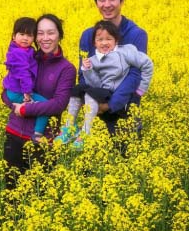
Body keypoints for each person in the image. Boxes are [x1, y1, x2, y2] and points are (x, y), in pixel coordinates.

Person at [1, 14, 76, 189]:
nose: (45, 38)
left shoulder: (66, 69)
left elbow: (59, 104)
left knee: (40, 196)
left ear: (60, 35)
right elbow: (7, 90)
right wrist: (12, 104)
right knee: (11, 194)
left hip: (43, 142)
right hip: (14, 134)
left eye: (50, 33)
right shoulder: (26, 57)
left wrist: (26, 109)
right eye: (40, 33)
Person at [56, 20, 153, 149]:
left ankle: (86, 132)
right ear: (94, 43)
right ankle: (69, 127)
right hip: (102, 91)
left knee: (91, 94)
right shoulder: (93, 59)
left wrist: (141, 89)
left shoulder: (125, 52)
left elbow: (147, 64)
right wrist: (88, 70)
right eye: (100, 39)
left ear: (116, 41)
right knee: (76, 89)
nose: (104, 43)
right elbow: (95, 83)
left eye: (109, 39)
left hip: (114, 93)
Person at [78, 0, 148, 137]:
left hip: (125, 113)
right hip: (95, 113)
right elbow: (83, 73)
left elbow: (135, 75)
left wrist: (109, 105)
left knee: (127, 159)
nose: (107, 4)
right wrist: (92, 102)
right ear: (96, 3)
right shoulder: (87, 36)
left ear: (122, 0)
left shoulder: (137, 35)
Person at [2, 17, 49, 143]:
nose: (25, 38)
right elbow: (23, 74)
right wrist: (27, 92)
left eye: (29, 35)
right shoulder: (19, 53)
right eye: (21, 34)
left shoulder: (25, 50)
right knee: (44, 106)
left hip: (15, 90)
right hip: (19, 92)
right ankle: (38, 134)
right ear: (13, 36)